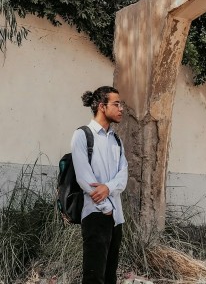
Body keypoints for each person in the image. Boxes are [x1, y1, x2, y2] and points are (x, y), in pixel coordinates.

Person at [71, 85, 128, 284]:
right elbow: (84, 178)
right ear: (102, 106)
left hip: (116, 218)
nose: (121, 109)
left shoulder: (117, 140)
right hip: (96, 215)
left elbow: (123, 176)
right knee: (94, 277)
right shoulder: (82, 135)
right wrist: (105, 209)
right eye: (116, 104)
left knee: (110, 276)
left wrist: (108, 188)